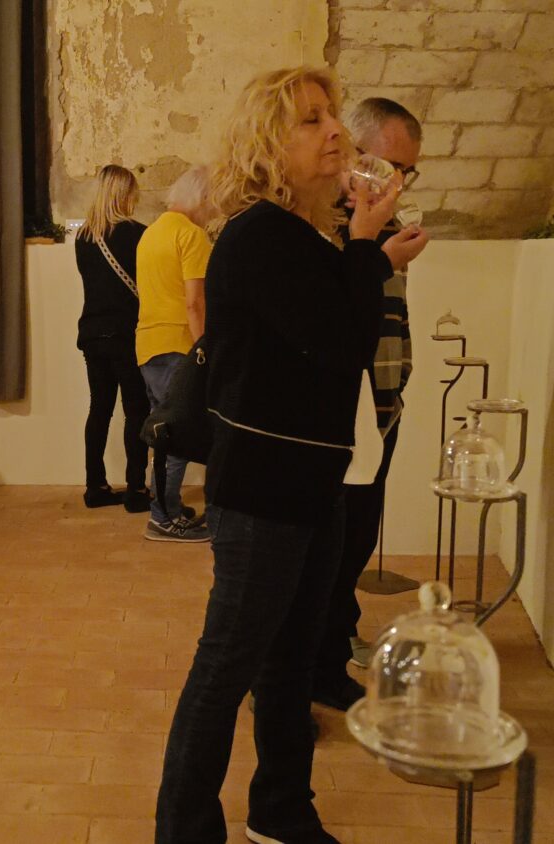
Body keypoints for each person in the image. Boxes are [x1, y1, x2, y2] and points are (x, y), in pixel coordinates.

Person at [154, 67, 429, 844]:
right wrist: (370, 248)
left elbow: (336, 331)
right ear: (266, 143)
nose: (334, 130)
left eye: (331, 115)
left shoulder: (309, 237)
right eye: (311, 120)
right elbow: (341, 343)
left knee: (290, 663)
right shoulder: (258, 235)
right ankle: (183, 831)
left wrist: (366, 248)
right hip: (263, 491)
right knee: (226, 669)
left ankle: (281, 811)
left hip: (314, 482)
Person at [312, 97, 429, 712]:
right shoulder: (320, 220)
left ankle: (329, 658)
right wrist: (378, 257)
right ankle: (307, 671)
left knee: (355, 540)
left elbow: (387, 319)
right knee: (324, 549)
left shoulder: (384, 221)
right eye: (389, 166)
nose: (397, 182)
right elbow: (326, 311)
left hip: (380, 405)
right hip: (337, 412)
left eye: (408, 171)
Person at [134, 166, 213, 542]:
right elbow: (194, 303)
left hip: (148, 345)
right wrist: (205, 350)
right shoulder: (192, 235)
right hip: (179, 344)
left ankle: (168, 509)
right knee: (176, 435)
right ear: (203, 198)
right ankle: (162, 519)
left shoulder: (150, 233)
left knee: (163, 434)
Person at [73, 165, 151, 511]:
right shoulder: (138, 234)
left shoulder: (83, 238)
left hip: (92, 333)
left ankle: (95, 486)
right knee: (136, 410)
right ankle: (136, 489)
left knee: (99, 409)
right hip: (126, 334)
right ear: (124, 193)